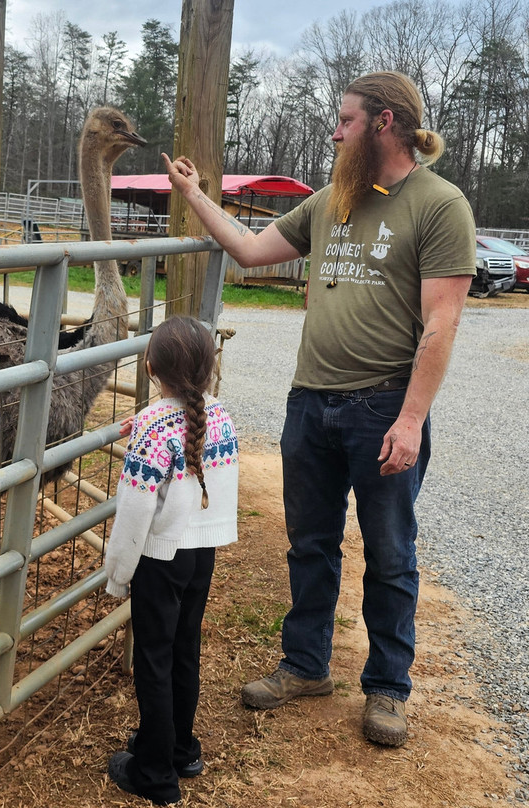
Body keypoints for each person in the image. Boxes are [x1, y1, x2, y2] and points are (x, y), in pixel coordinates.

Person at [162, 71, 476, 747]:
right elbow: (248, 252)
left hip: (383, 408)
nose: (335, 132)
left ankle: (388, 687)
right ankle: (306, 666)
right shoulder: (333, 200)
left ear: (384, 123)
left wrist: (413, 418)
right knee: (310, 545)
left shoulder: (439, 205)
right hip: (311, 404)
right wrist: (193, 197)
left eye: (345, 121)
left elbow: (441, 325)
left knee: (391, 554)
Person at [104, 315, 240, 805]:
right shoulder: (218, 416)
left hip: (161, 558)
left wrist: (119, 573)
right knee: (185, 649)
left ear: (149, 366)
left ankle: (156, 774)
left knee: (153, 661)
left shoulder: (154, 432)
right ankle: (182, 749)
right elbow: (187, 441)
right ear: (208, 369)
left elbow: (136, 509)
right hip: (201, 553)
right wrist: (144, 422)